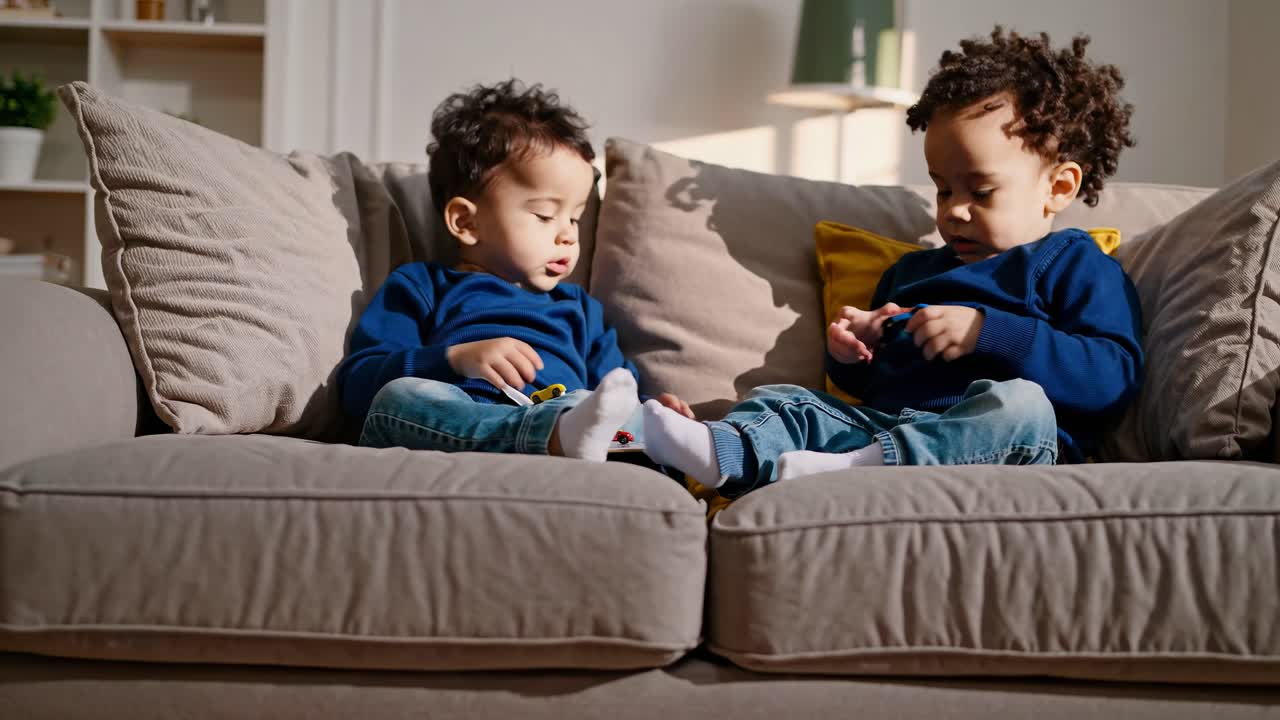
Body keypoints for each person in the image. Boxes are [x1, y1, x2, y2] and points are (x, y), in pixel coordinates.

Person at [642, 26, 1144, 497]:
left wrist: (986, 331)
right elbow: (872, 387)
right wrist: (854, 354)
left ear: (1058, 187)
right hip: (885, 429)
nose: (954, 210)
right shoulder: (911, 274)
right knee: (786, 400)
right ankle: (716, 454)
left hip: (1000, 444)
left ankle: (853, 471)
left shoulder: (1074, 263)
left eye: (981, 191)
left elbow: (1111, 378)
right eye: (943, 188)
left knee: (1022, 404)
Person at [338, 79, 693, 461]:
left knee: (601, 409)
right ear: (466, 223)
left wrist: (655, 412)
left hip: (568, 422)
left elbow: (617, 397)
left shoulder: (580, 310)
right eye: (545, 215)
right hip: (457, 429)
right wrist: (454, 359)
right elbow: (357, 385)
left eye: (574, 218)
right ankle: (552, 435)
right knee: (400, 398)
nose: (567, 236)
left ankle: (574, 436)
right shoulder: (422, 286)